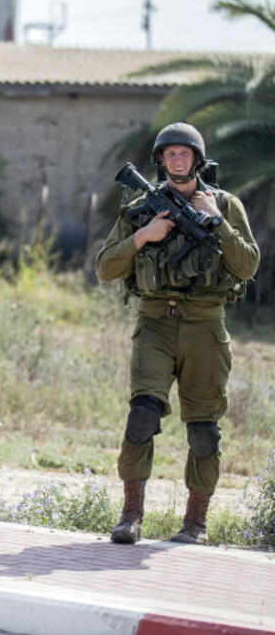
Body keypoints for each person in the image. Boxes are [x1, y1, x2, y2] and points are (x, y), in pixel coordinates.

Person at [96, 122, 259, 545]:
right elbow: (105, 268)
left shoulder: (225, 204)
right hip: (154, 322)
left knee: (204, 429)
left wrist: (217, 220)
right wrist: (143, 236)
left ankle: (195, 523)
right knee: (142, 416)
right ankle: (131, 516)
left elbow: (248, 265)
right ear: (160, 160)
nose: (177, 160)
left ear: (197, 160)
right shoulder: (142, 207)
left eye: (184, 154)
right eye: (170, 154)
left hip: (206, 325)